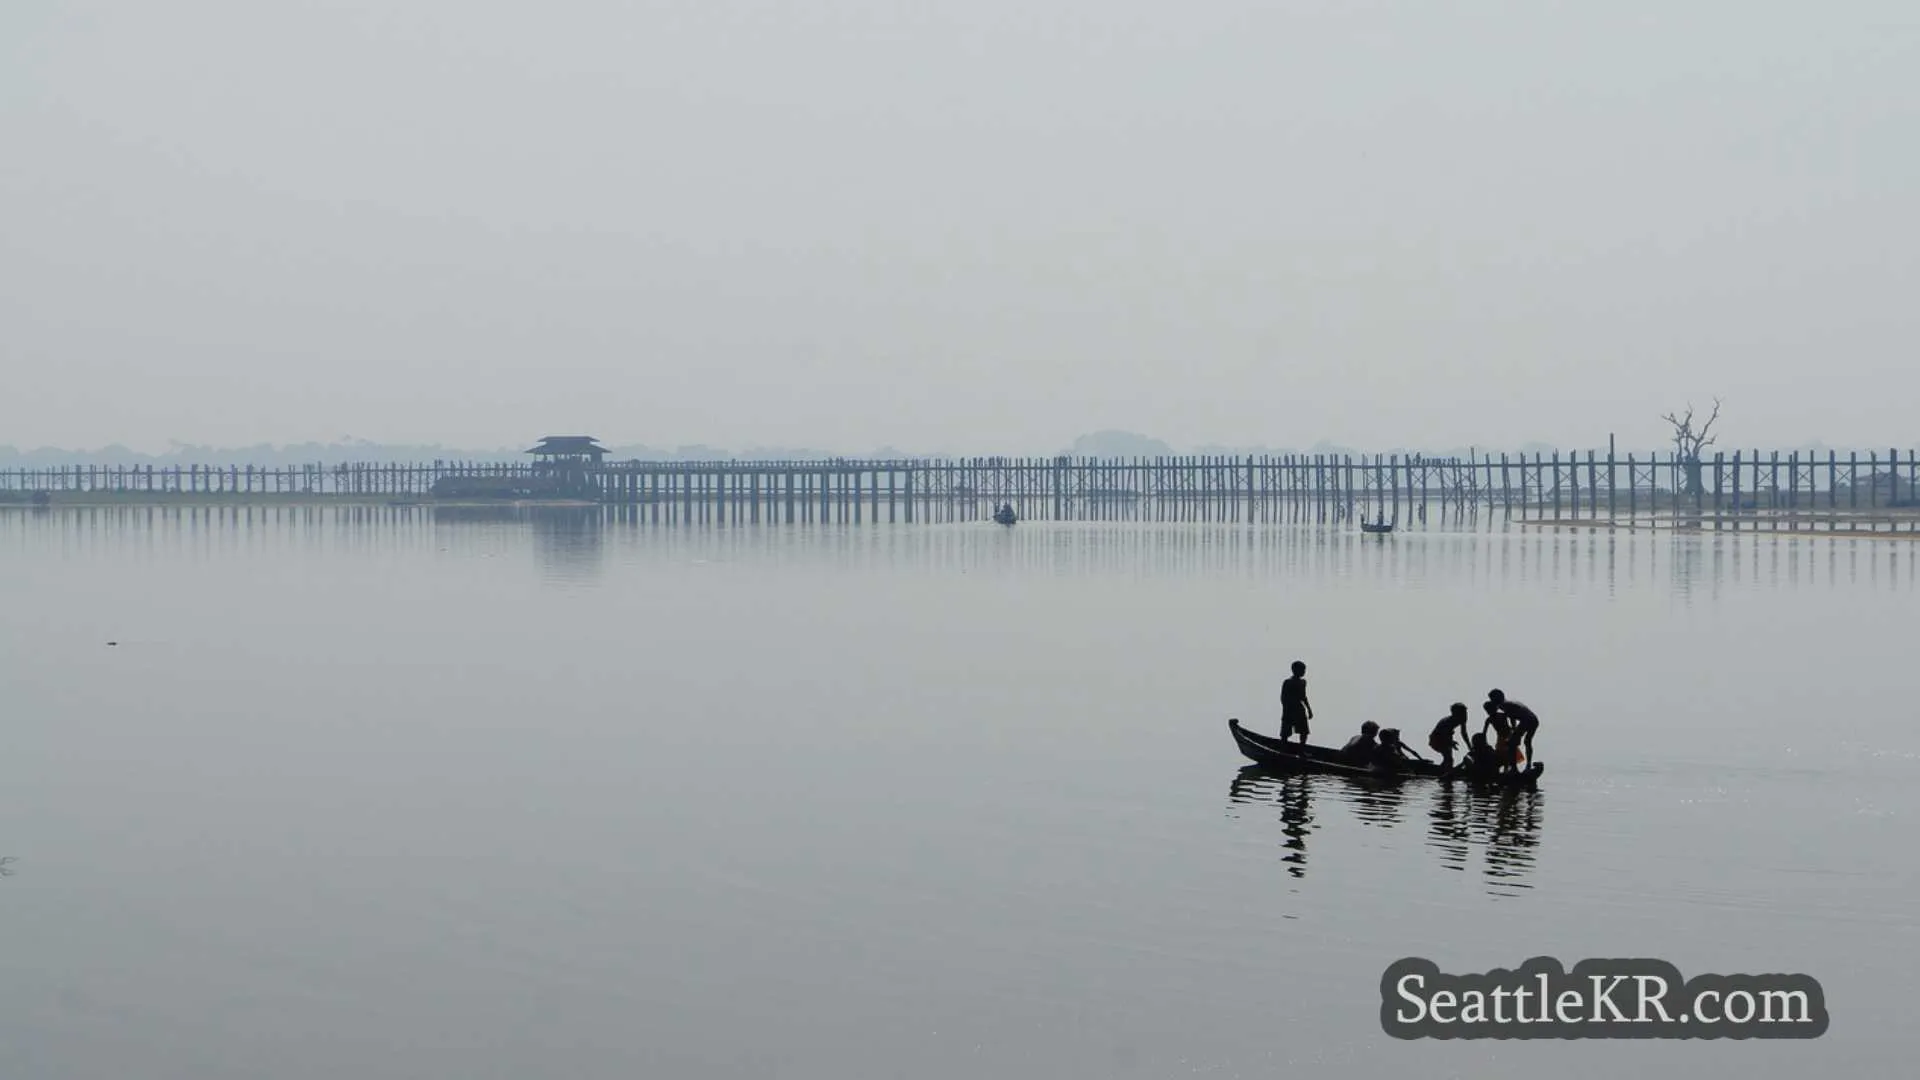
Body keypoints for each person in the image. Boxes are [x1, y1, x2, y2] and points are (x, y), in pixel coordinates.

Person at [1487, 689, 1539, 767]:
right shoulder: (1509, 702)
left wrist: (1514, 731)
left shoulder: (1503, 705)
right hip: (1534, 719)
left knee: (1512, 743)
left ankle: (1514, 768)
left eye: (1492, 699)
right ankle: (1528, 764)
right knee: (1527, 742)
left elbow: (1512, 717)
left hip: (1526, 720)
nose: (1491, 701)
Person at [1279, 660, 1313, 747]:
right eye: (1302, 670)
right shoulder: (1288, 682)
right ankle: (1283, 747)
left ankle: (1301, 749)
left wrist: (1309, 709)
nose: (1303, 672)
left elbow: (1304, 697)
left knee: (1304, 732)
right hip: (1289, 709)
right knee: (1285, 732)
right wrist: (1286, 709)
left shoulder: (1303, 682)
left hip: (1299, 709)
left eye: (1304, 670)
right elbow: (1283, 697)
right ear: (1295, 670)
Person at [1428, 703, 1470, 769]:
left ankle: (1443, 770)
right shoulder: (1447, 721)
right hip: (1436, 738)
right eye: (1463, 712)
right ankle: (1442, 772)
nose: (1465, 714)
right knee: (1448, 759)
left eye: (1465, 712)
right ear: (1455, 713)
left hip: (1446, 737)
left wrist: (1469, 746)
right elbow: (1442, 735)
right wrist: (1451, 742)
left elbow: (1464, 733)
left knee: (1448, 759)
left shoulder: (1463, 718)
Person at [1480, 701, 1515, 772]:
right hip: (1500, 736)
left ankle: (1508, 769)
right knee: (1499, 753)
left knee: (1508, 752)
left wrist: (1514, 727)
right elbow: (1484, 732)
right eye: (1488, 710)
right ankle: (1500, 769)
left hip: (1508, 734)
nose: (1490, 712)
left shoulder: (1502, 715)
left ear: (1495, 708)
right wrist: (1484, 742)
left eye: (1491, 709)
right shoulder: (1489, 719)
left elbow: (1512, 716)